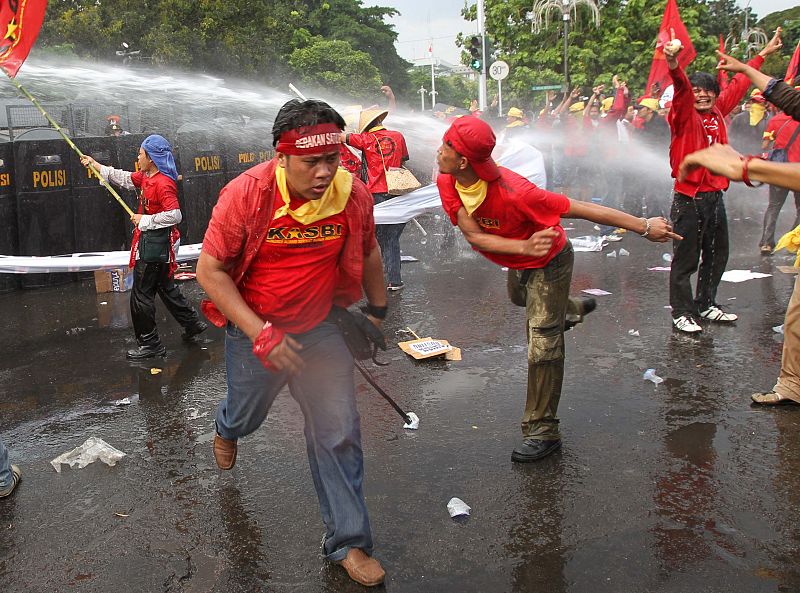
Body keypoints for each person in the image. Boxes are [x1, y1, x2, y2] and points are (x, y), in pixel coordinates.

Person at [195, 98, 388, 587]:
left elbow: (368, 252)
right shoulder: (247, 195)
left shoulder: (354, 195)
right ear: (281, 157)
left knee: (338, 429)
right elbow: (210, 271)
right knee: (247, 413)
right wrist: (260, 333)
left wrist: (378, 311)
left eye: (334, 158)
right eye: (311, 162)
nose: (325, 172)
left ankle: (348, 540)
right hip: (254, 329)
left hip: (321, 328)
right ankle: (227, 425)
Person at [436, 116, 679, 462]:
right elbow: (473, 234)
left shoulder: (516, 192)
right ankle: (570, 309)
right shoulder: (448, 180)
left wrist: (643, 226)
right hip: (522, 258)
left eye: (446, 145)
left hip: (550, 261)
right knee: (520, 298)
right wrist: (522, 249)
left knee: (543, 343)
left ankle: (542, 430)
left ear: (463, 161)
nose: (438, 150)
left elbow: (583, 209)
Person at [662, 29, 783, 334]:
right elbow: (681, 88)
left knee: (717, 255)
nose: (702, 95)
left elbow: (740, 84)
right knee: (686, 259)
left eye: (708, 91)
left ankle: (705, 304)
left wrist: (763, 54)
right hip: (688, 199)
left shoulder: (718, 110)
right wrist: (674, 64)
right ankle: (682, 312)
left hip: (715, 197)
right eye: (698, 91)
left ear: (715, 94)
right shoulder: (683, 113)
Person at [81, 136, 208, 359]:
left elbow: (175, 214)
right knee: (165, 287)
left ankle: (150, 344)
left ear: (150, 158)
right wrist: (96, 165)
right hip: (158, 245)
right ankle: (192, 323)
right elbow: (125, 178)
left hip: (156, 248)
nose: (138, 157)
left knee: (141, 295)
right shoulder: (148, 176)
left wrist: (145, 220)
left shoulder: (163, 183)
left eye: (140, 154)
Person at [343, 107, 410, 291]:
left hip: (377, 195)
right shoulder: (398, 136)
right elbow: (403, 159)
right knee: (392, 237)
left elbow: (341, 138)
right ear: (380, 121)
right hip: (399, 191)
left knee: (385, 238)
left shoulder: (364, 139)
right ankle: (393, 276)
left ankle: (392, 278)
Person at [759, 107, 800, 254]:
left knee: (774, 207)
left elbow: (765, 145)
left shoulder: (776, 120)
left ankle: (766, 243)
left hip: (780, 170)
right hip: (797, 172)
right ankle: (793, 241)